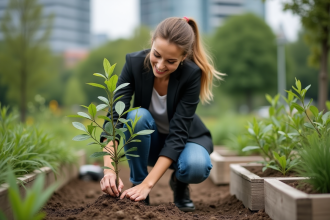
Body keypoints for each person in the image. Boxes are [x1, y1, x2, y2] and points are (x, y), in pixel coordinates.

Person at [99, 17, 224, 212]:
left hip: (185, 141)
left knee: (197, 166)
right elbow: (115, 118)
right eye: (156, 55)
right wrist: (108, 169)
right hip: (149, 142)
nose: (160, 65)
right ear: (152, 43)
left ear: (184, 58)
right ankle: (137, 188)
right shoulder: (133, 64)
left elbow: (178, 135)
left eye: (171, 61)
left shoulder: (191, 75)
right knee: (135, 117)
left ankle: (179, 182)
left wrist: (149, 186)